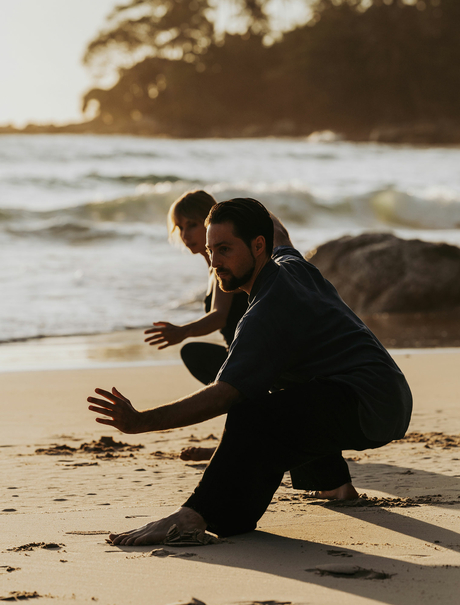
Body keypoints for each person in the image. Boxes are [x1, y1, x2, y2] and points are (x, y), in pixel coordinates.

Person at [87, 198, 412, 546]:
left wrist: (140, 422)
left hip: (368, 402)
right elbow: (280, 233)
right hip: (385, 395)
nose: (214, 263)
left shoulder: (267, 310)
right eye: (211, 251)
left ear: (258, 246)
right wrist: (237, 210)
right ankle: (253, 511)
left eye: (225, 249)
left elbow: (224, 394)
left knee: (252, 415)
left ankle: (194, 516)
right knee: (278, 410)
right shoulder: (290, 263)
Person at [143, 190, 247, 460]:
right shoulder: (215, 266)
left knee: (195, 354)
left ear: (210, 222)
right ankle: (233, 442)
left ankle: (230, 446)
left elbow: (219, 316)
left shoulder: (224, 263)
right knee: (198, 356)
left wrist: (183, 331)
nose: (184, 234)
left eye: (192, 224)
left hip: (250, 360)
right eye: (179, 227)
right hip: (243, 359)